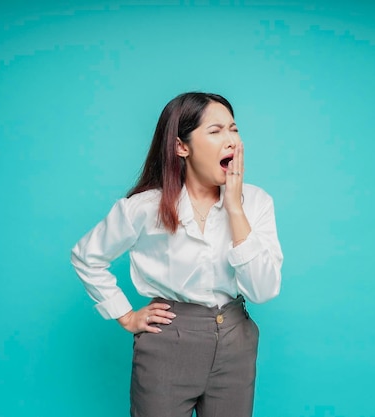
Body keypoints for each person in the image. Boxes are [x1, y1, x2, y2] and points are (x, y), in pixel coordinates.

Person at [71, 92, 283, 417]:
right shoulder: (143, 209)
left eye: (234, 129)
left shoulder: (256, 203)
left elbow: (263, 290)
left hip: (235, 341)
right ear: (181, 146)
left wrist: (235, 209)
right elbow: (86, 256)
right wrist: (126, 315)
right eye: (215, 131)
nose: (231, 141)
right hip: (169, 341)